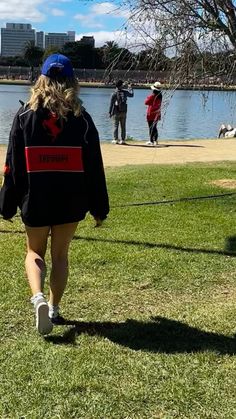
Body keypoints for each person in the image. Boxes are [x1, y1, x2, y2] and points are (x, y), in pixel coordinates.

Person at [0, 53, 109, 336]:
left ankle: (37, 297)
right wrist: (100, 208)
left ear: (42, 79)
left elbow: (12, 165)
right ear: (72, 81)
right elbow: (95, 167)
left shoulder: (24, 116)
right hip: (71, 201)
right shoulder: (82, 119)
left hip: (35, 198)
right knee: (60, 255)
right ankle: (53, 308)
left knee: (34, 252)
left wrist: (7, 204)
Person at [109, 80, 134, 144]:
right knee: (123, 126)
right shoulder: (125, 92)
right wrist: (131, 88)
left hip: (116, 112)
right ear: (120, 85)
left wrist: (110, 112)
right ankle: (123, 140)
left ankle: (116, 139)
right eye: (122, 84)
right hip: (124, 112)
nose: (123, 85)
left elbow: (111, 104)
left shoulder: (114, 93)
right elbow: (132, 95)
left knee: (115, 126)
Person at [144, 81, 163, 146]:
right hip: (157, 113)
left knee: (151, 127)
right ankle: (155, 140)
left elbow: (146, 102)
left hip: (151, 113)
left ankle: (151, 141)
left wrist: (148, 97)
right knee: (155, 127)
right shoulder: (160, 96)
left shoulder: (152, 96)